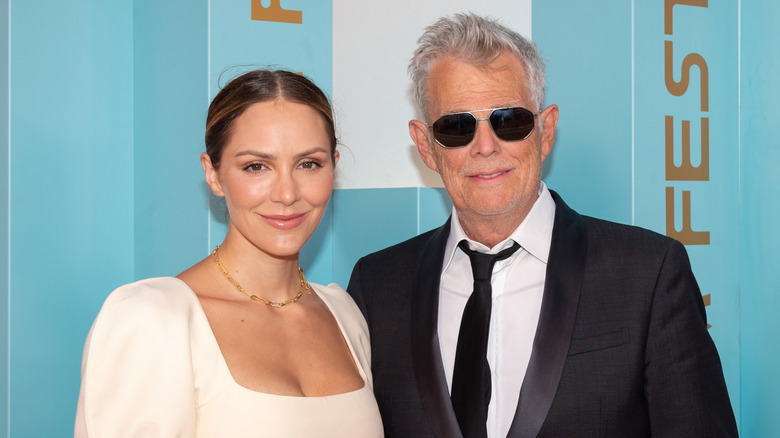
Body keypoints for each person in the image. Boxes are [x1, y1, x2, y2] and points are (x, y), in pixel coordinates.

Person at [347, 13, 737, 438]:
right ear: (426, 146)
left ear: (545, 131)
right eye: (457, 127)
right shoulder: (377, 286)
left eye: (508, 120)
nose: (485, 147)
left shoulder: (648, 273)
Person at [75, 70, 383, 437]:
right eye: (256, 166)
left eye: (308, 164)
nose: (287, 194)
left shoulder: (345, 315)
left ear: (333, 165)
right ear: (214, 174)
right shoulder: (155, 319)